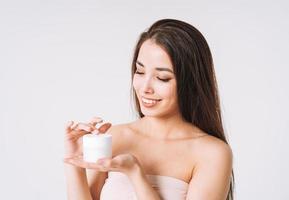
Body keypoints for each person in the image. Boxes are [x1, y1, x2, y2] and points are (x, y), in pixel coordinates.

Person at [63, 18, 234, 200]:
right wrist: (73, 162)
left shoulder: (212, 154)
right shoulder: (114, 137)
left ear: (191, 82)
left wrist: (136, 175)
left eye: (162, 78)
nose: (145, 88)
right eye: (140, 71)